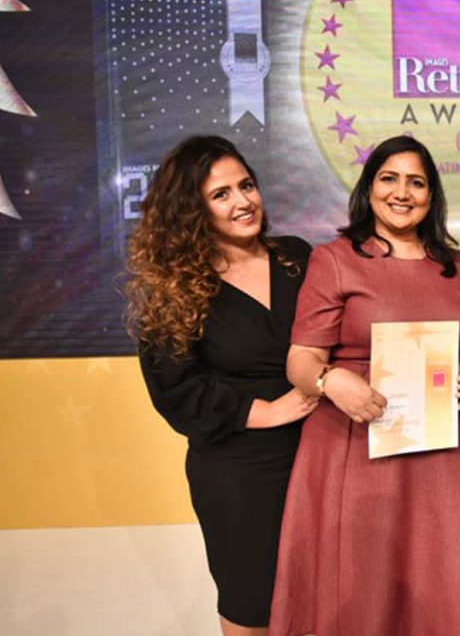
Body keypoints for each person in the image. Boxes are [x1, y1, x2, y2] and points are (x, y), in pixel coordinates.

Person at [268, 135, 460, 636]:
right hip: (355, 448)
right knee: (361, 592)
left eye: (417, 182)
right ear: (369, 188)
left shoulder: (452, 264)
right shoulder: (336, 259)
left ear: (432, 196)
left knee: (441, 585)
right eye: (389, 178)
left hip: (438, 456)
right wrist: (330, 380)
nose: (402, 192)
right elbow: (300, 359)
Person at [125, 135, 317, 636]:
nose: (243, 201)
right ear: (193, 211)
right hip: (240, 472)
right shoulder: (177, 287)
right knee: (253, 608)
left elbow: (348, 333)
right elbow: (174, 389)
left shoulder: (297, 258)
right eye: (221, 194)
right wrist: (265, 411)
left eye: (246, 185)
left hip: (319, 458)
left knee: (319, 602)